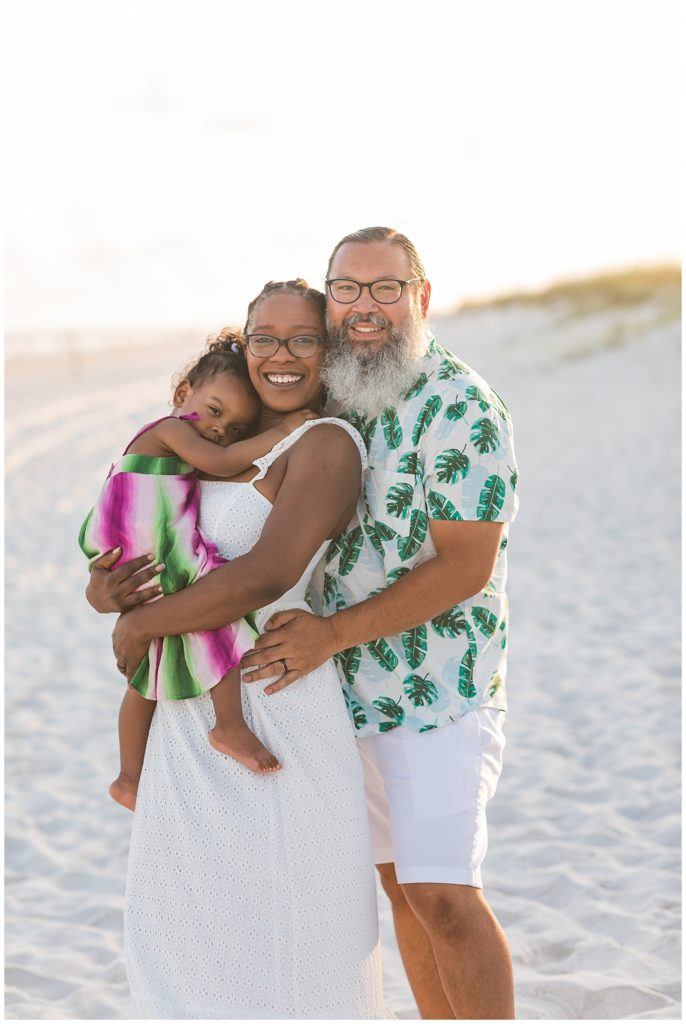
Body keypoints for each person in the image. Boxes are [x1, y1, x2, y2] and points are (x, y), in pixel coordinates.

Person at [239, 228, 520, 1020]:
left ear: (421, 298)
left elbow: (466, 565)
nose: (365, 306)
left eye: (385, 288)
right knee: (403, 891)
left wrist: (328, 634)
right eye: (349, 289)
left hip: (441, 689)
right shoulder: (344, 392)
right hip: (350, 693)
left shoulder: (459, 404)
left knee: (447, 896)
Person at [85, 279, 385, 1019]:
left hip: (271, 693)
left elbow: (267, 574)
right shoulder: (213, 438)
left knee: (290, 931)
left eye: (303, 338)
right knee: (190, 930)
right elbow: (140, 550)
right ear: (244, 345)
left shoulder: (324, 443)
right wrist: (109, 597)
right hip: (188, 709)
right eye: (265, 338)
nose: (281, 355)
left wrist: (141, 628)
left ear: (329, 350)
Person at [79, 337, 320, 806]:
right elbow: (223, 461)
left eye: (233, 428)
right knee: (214, 602)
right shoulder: (170, 430)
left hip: (141, 538)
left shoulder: (179, 439)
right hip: (144, 538)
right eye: (212, 411)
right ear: (182, 392)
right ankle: (228, 724)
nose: (218, 430)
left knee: (146, 671)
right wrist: (285, 429)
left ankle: (128, 778)